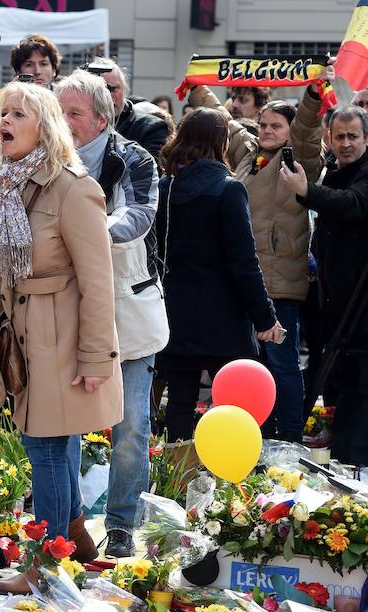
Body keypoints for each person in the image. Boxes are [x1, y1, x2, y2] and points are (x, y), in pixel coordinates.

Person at [0, 82, 123, 591]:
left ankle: (44, 566)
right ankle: (74, 542)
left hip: (64, 337)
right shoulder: (3, 186)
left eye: (18, 114)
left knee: (45, 446)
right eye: (3, 113)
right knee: (57, 443)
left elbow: (98, 281)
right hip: (26, 337)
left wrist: (96, 358)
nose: (4, 121)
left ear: (44, 128)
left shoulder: (73, 188)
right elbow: (3, 272)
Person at [57, 70, 168, 558]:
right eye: (58, 112)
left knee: (131, 428)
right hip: (65, 311)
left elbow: (138, 217)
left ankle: (122, 524)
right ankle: (68, 521)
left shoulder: (136, 159)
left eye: (74, 113)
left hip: (128, 309)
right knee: (63, 424)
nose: (64, 122)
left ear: (102, 119)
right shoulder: (45, 158)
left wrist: (85, 232)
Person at [188, 61, 332, 441]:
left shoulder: (299, 157)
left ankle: (290, 439)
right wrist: (197, 86)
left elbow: (306, 127)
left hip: (280, 285)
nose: (267, 130)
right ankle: (257, 436)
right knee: (250, 367)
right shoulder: (249, 155)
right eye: (263, 124)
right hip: (245, 285)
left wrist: (313, 94)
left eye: (276, 126)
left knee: (282, 365)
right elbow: (223, 121)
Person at [155, 108, 283, 441]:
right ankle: (229, 470)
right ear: (222, 143)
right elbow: (244, 262)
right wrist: (265, 317)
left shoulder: (165, 187)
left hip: (175, 313)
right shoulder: (229, 189)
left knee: (179, 402)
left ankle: (177, 469)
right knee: (234, 406)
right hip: (224, 319)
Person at [280, 105, 368, 468]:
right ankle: (341, 458)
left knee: (360, 387)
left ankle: (354, 463)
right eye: (340, 136)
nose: (346, 143)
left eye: (353, 136)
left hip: (361, 304)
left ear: (366, 138)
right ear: (329, 138)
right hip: (334, 299)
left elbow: (353, 203)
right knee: (340, 383)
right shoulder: (334, 168)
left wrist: (307, 191)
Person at [94, 57, 170, 159]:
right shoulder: (76, 124)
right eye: (99, 91)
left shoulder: (151, 128)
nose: (107, 96)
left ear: (124, 90)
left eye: (112, 89)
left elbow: (151, 166)